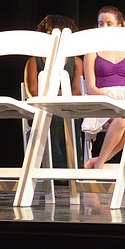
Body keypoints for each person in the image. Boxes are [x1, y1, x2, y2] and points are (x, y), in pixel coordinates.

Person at [82, 6, 125, 169]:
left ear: (119, 27)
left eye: (109, 23)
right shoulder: (92, 52)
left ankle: (99, 159)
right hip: (102, 98)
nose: (104, 27)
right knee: (122, 121)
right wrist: (112, 101)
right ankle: (99, 166)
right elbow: (91, 87)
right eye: (100, 23)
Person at [24, 14, 84, 168]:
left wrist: (59, 95)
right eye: (49, 34)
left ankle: (72, 166)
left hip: (67, 106)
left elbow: (76, 91)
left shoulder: (76, 61)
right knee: (53, 116)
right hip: (41, 108)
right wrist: (56, 94)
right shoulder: (34, 60)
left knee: (69, 117)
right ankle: (55, 167)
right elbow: (33, 90)